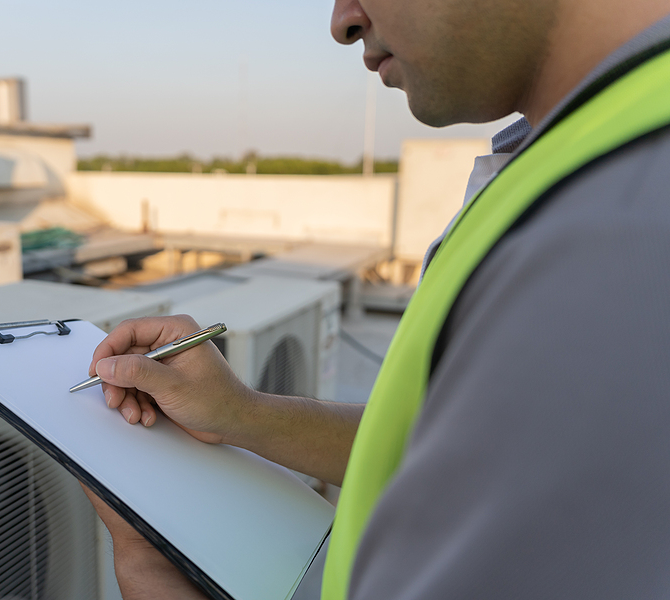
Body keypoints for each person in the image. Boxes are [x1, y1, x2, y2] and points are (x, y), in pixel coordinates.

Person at [81, 0, 670, 597]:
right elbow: (442, 455)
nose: (343, 22)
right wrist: (241, 415)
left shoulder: (623, 226)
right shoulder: (579, 155)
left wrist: (148, 568)